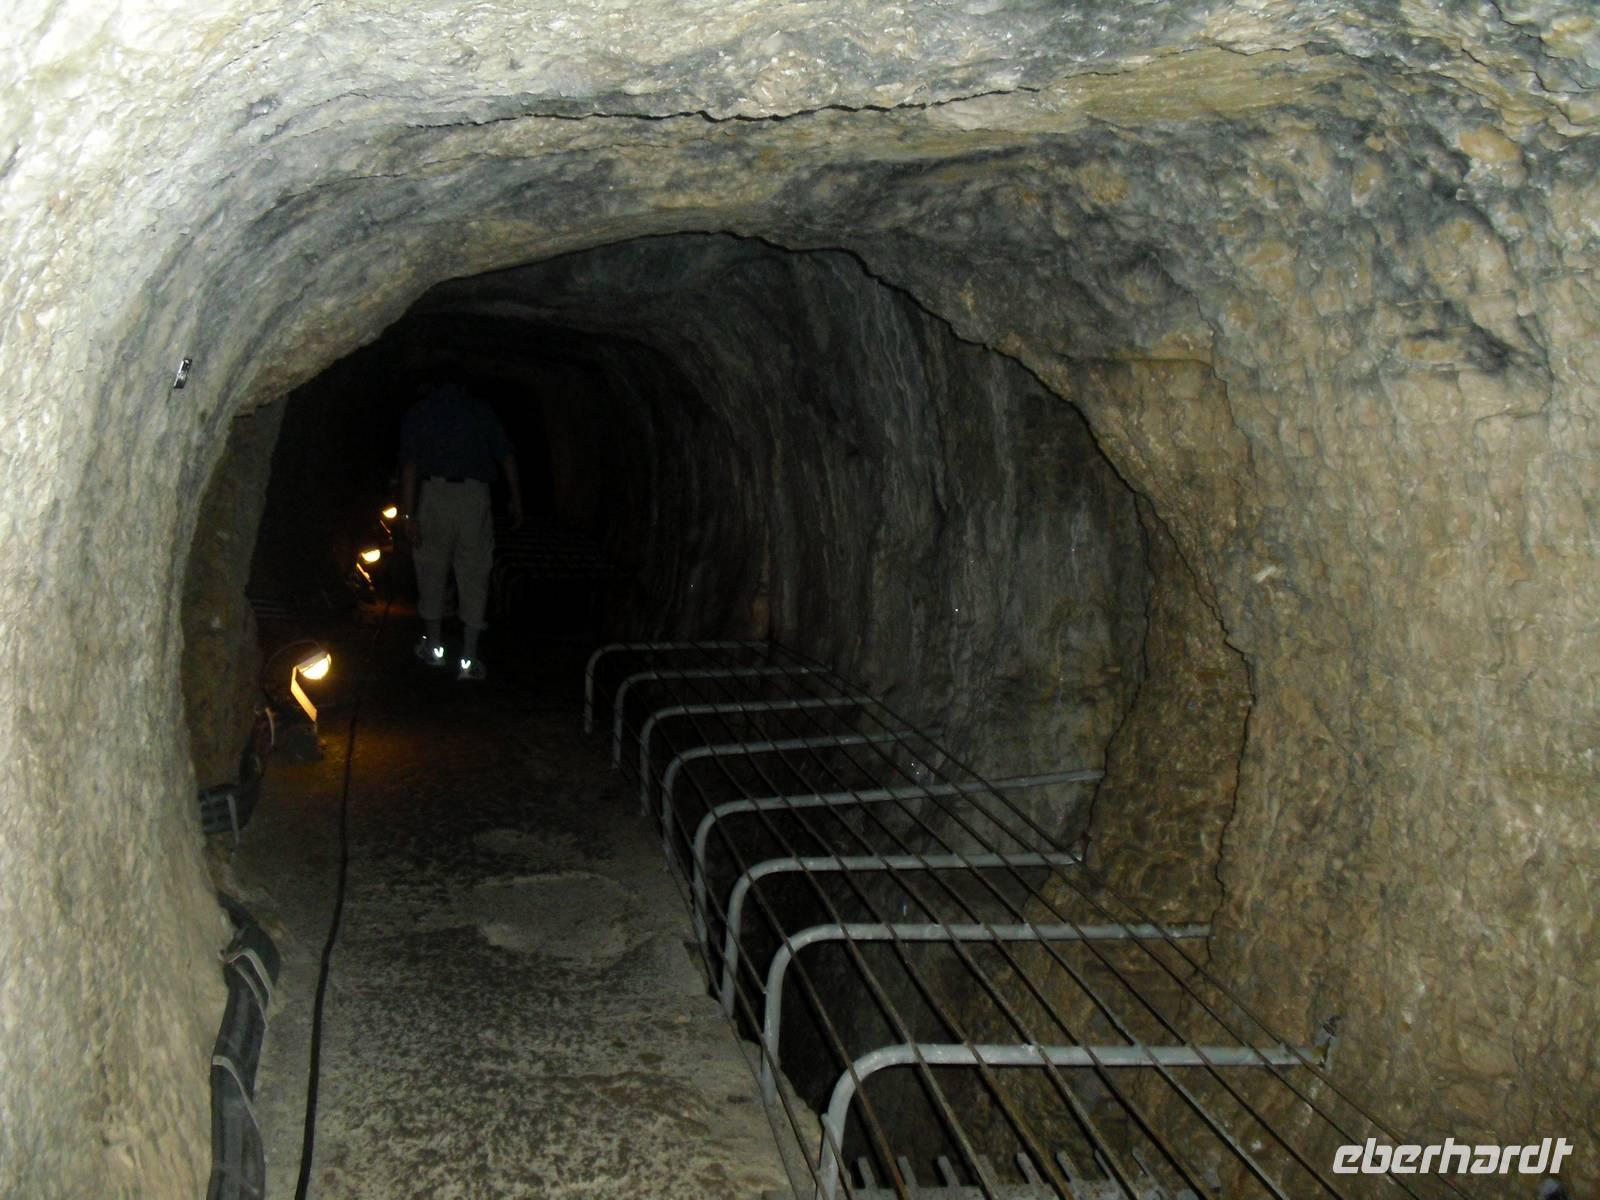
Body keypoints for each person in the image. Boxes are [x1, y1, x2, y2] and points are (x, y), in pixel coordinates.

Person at [396, 376, 523, 681]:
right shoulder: (481, 411)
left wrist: (408, 515)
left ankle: (435, 648)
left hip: (435, 495)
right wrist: (517, 500)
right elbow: (506, 456)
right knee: (474, 570)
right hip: (474, 497)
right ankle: (468, 657)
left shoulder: (422, 412)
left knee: (431, 567)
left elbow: (410, 466)